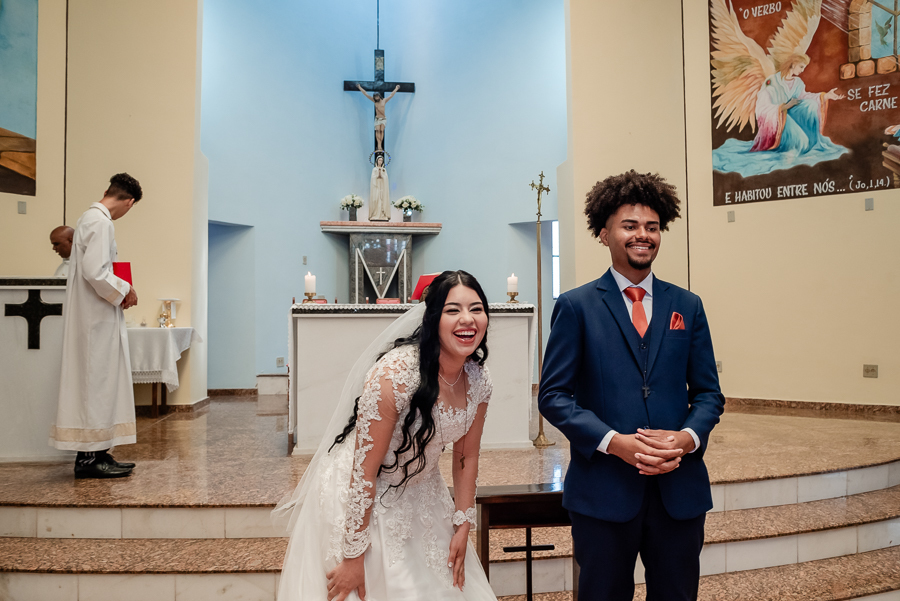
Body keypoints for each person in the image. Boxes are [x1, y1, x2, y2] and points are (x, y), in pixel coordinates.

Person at [538, 170, 725, 601]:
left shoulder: (687, 305)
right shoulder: (576, 307)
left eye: (652, 227)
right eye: (630, 225)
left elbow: (709, 393)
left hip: (678, 492)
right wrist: (612, 442)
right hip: (604, 492)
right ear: (604, 234)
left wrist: (686, 438)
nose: (643, 235)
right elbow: (553, 395)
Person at [273, 270, 497, 601]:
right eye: (453, 310)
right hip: (364, 493)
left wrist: (463, 523)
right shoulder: (394, 376)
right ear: (433, 317)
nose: (467, 319)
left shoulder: (478, 380)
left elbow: (467, 456)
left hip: (423, 491)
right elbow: (364, 472)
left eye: (476, 309)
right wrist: (353, 557)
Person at [49, 173, 143, 479]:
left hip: (95, 316)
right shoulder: (101, 222)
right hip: (95, 320)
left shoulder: (88, 218)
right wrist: (125, 289)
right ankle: (89, 459)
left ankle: (100, 452)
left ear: (108, 190)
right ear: (129, 202)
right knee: (96, 385)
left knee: (99, 384)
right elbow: (95, 271)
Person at [356, 83, 400, 151]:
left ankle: (380, 144)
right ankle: (379, 145)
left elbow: (391, 95)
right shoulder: (374, 101)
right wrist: (359, 87)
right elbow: (366, 94)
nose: (376, 98)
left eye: (377, 96)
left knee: (381, 130)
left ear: (379, 96)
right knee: (377, 130)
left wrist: (396, 89)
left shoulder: (384, 100)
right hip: (377, 119)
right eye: (375, 97)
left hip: (383, 118)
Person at [368, 154, 390, 222]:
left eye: (381, 160)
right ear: (377, 161)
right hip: (376, 187)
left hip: (382, 187)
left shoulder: (384, 170)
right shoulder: (374, 169)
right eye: (379, 160)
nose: (380, 161)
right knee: (376, 199)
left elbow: (386, 178)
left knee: (382, 199)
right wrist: (377, 176)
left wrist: (382, 176)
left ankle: (383, 215)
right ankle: (374, 214)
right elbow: (372, 178)